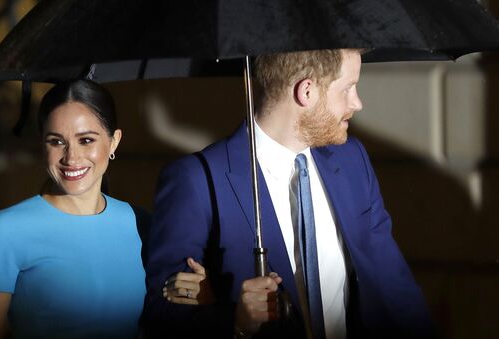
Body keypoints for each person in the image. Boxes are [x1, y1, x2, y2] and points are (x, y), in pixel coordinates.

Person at [143, 49, 435, 339]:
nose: (357, 103)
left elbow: (393, 285)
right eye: (348, 88)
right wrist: (235, 320)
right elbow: (162, 316)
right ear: (306, 91)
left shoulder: (352, 160)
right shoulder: (197, 179)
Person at [0, 80, 146, 339]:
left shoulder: (141, 224)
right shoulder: (4, 230)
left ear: (114, 141)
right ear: (42, 144)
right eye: (56, 141)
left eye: (86, 140)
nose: (71, 158)